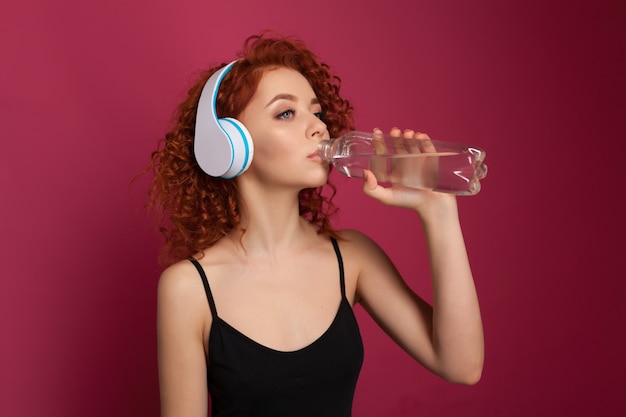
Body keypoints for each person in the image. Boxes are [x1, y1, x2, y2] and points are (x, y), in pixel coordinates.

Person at [148, 32, 484, 417]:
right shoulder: (188, 288)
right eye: (286, 113)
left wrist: (439, 212)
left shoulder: (353, 257)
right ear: (228, 145)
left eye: (317, 112)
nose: (319, 128)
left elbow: (462, 365)